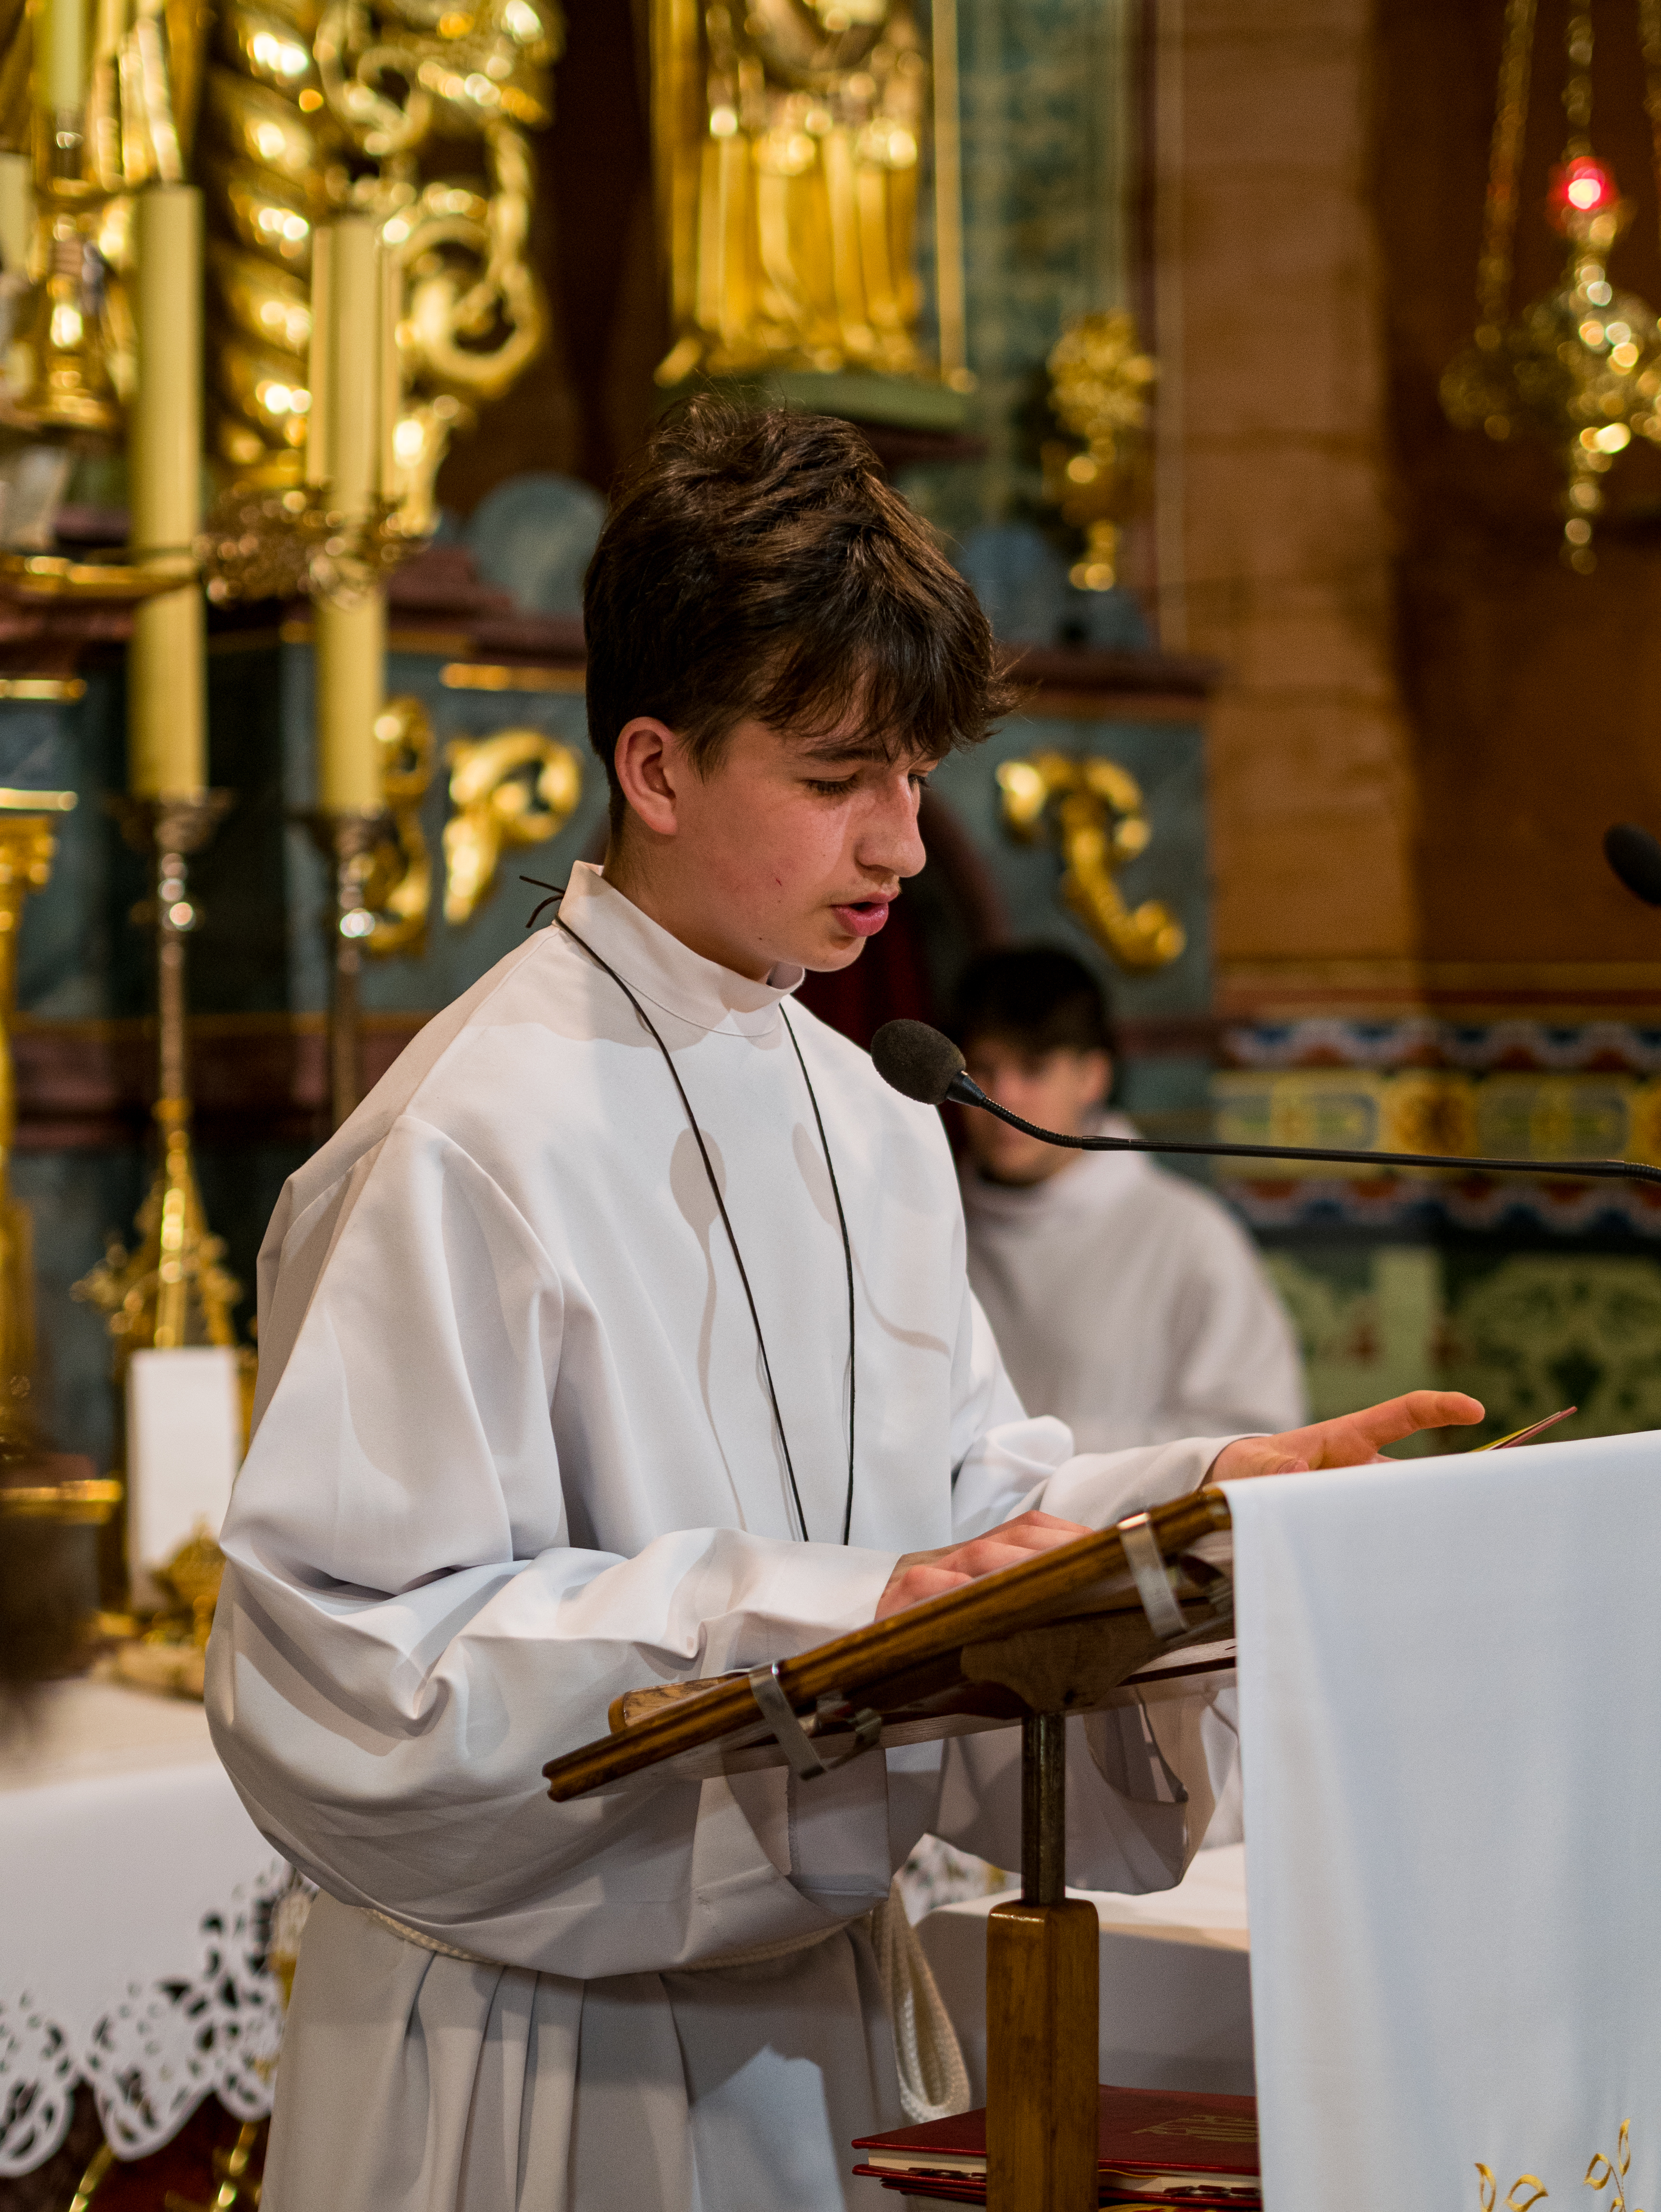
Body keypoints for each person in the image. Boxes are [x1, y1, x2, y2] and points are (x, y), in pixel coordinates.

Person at [206, 402, 1480, 2212]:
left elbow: (956, 1519)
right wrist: (815, 1617)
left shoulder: (867, 1107)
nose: (896, 844)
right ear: (653, 767)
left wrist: (1202, 1505)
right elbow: (347, 1670)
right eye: (834, 779)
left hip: (828, 2018)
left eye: (914, 776)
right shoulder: (463, 1137)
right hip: (549, 2056)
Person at [955, 947, 1307, 1451]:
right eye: (981, 1071)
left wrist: (1038, 1457)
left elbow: (1256, 1438)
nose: (1001, 1096)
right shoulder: (931, 1226)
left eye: (1032, 1069)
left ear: (1092, 1076)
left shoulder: (1187, 1234)